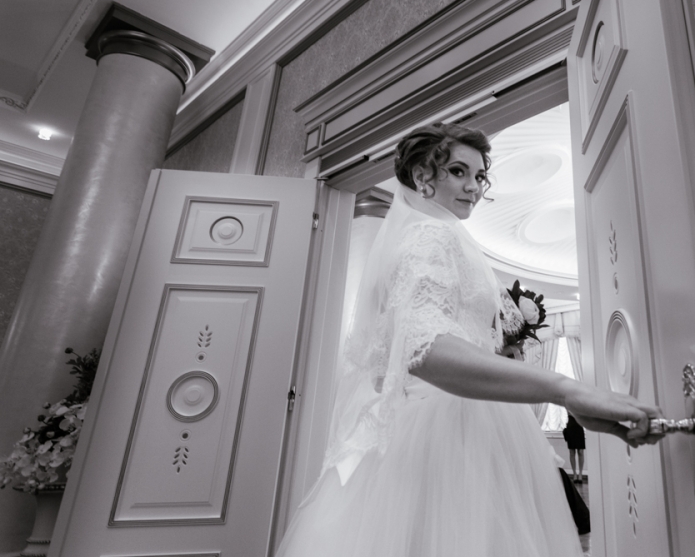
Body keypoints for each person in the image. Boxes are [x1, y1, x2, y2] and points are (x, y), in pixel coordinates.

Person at [275, 122, 665, 557]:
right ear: (423, 177)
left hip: (451, 423)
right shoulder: (430, 236)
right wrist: (564, 389)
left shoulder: (430, 236)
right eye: (458, 172)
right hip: (448, 433)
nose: (474, 187)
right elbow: (424, 349)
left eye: (480, 176)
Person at [562, 413, 586, 483]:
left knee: (581, 451)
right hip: (571, 426)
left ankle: (580, 474)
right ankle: (574, 474)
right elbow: (570, 412)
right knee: (572, 452)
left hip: (579, 426)